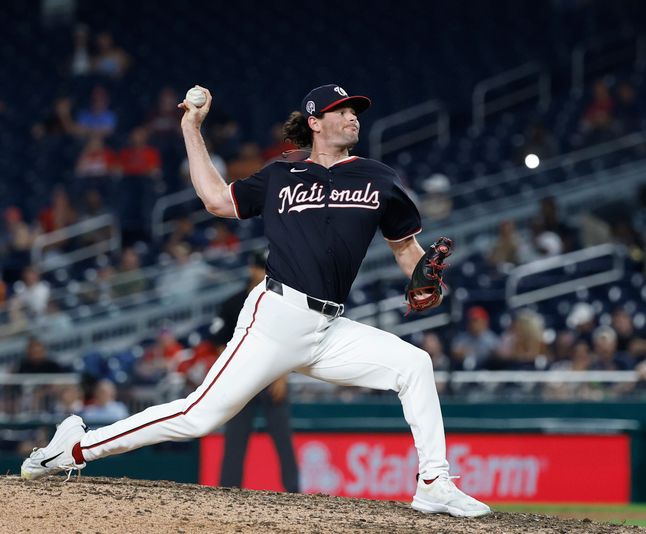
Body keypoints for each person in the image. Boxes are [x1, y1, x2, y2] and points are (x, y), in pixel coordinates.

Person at [22, 83, 490, 517]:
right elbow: (215, 200)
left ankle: (433, 482)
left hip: (329, 329)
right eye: (341, 111)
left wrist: (426, 283)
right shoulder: (282, 172)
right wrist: (191, 128)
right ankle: (72, 449)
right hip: (276, 317)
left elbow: (408, 253)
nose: (352, 118)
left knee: (415, 365)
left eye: (355, 111)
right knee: (198, 416)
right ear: (314, 121)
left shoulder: (378, 177)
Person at [212, 251, 299, 493]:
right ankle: (227, 492)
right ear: (252, 269)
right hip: (241, 380)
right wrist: (232, 376)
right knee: (235, 440)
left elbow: (288, 343)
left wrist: (282, 376)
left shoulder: (280, 301)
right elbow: (219, 343)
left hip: (271, 377)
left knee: (283, 440)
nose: (266, 273)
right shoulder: (233, 303)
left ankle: (294, 493)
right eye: (263, 268)